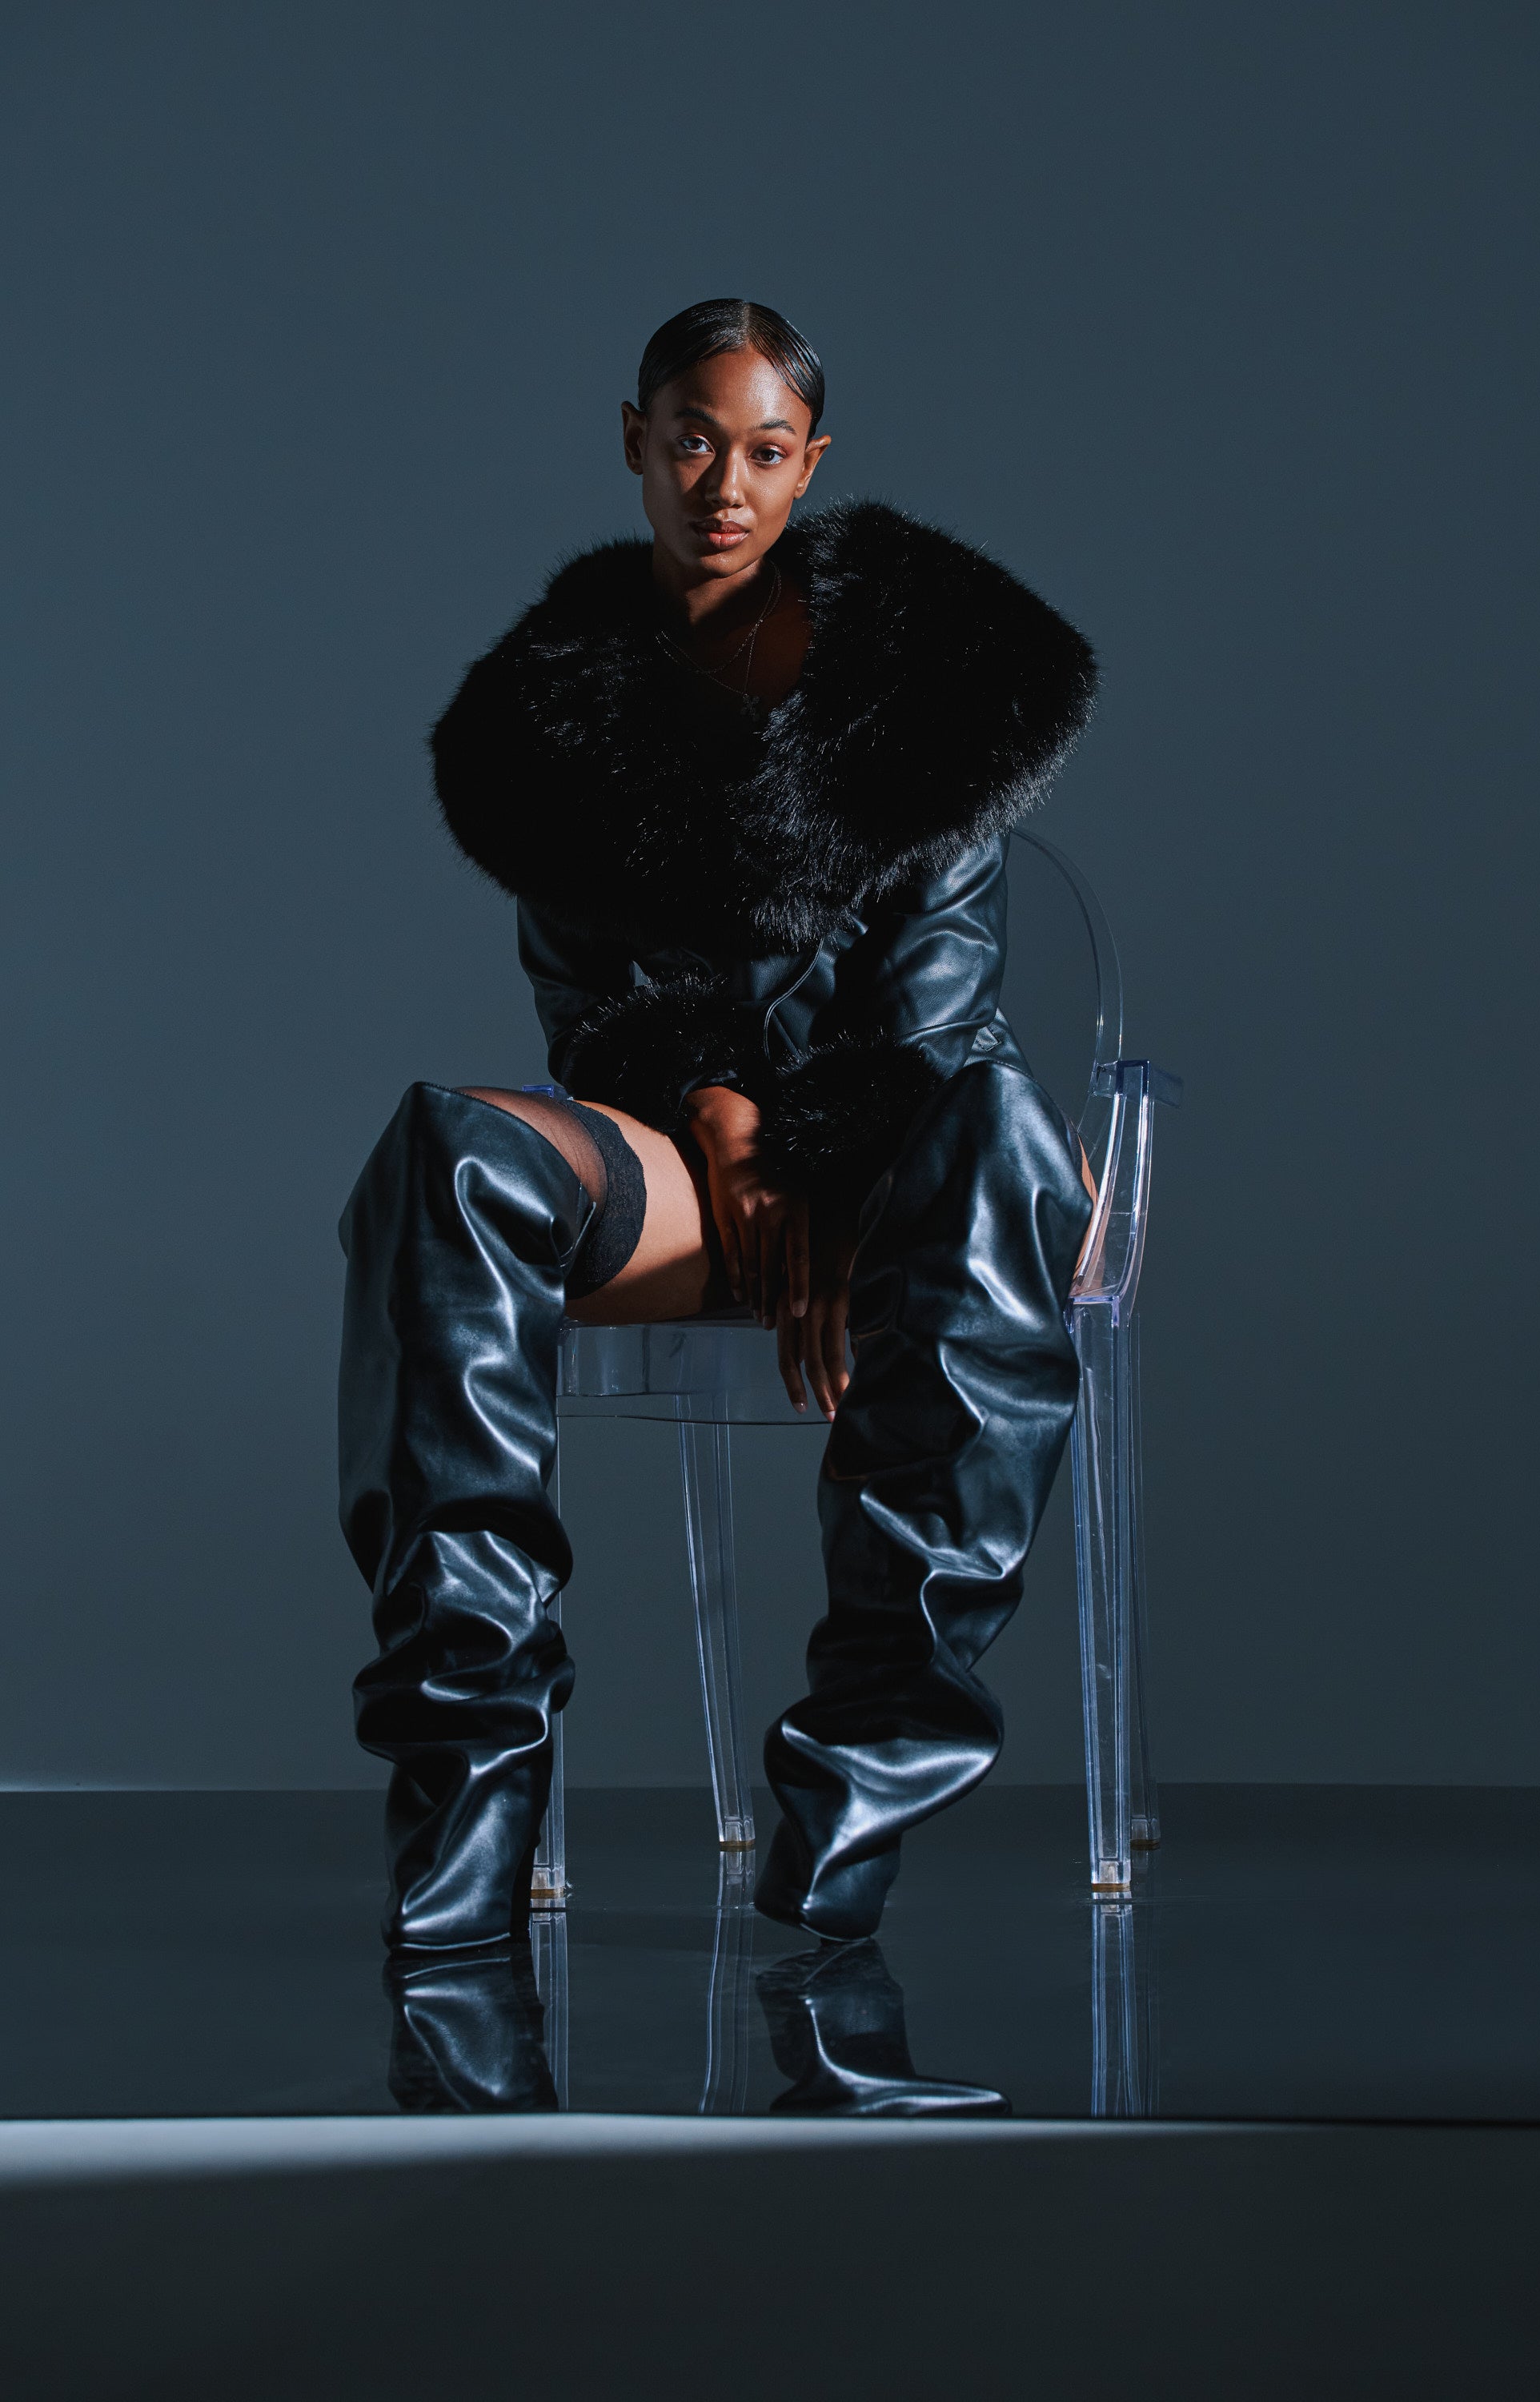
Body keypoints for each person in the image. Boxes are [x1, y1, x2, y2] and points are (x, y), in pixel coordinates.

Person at [339, 297, 1098, 1958]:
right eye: (691, 439)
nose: (723, 483)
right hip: (686, 1166)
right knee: (442, 1155)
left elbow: (945, 1010)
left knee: (1003, 1124)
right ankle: (467, 1807)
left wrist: (820, 1166)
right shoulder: (545, 717)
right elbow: (584, 1012)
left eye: (763, 449)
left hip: (909, 1157)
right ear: (634, 441)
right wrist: (721, 1110)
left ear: (811, 463)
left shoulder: (931, 684)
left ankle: (857, 1792)